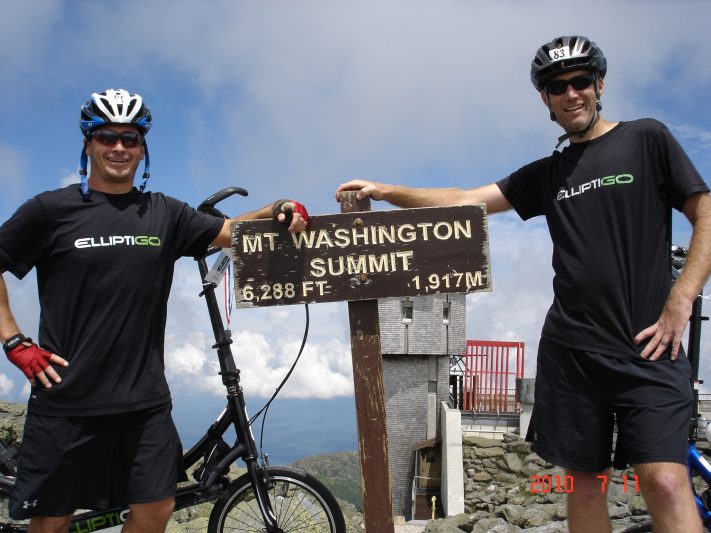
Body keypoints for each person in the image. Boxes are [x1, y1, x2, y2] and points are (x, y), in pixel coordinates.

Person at [336, 35, 711, 533]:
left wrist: (681, 299)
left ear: (599, 85)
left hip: (650, 346)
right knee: (584, 484)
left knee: (664, 481)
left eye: (580, 81)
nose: (571, 93)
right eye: (558, 86)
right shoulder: (548, 173)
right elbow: (465, 199)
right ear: (545, 99)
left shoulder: (647, 138)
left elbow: (703, 210)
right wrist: (385, 191)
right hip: (573, 351)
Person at [0, 88, 309, 533]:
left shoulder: (163, 213)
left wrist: (279, 209)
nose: (119, 148)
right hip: (67, 399)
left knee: (157, 506)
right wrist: (15, 341)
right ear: (88, 143)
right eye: (107, 137)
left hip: (144, 402)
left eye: (131, 138)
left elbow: (233, 232)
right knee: (52, 519)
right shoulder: (51, 210)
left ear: (143, 147)